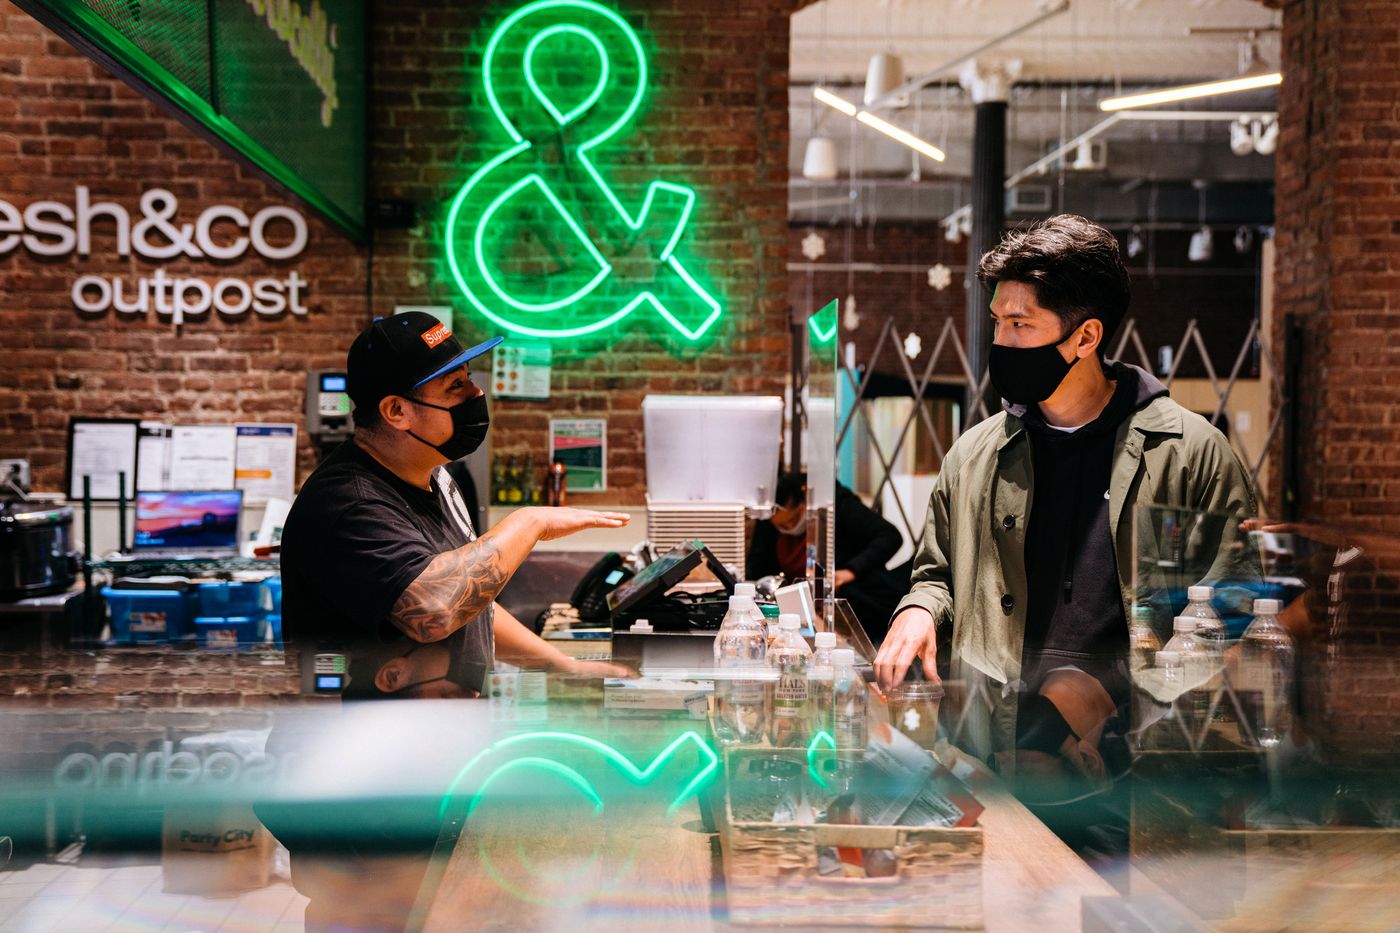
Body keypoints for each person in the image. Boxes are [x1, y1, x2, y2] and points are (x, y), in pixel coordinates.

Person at [873, 215, 1257, 863]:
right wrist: (918, 608)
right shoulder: (976, 456)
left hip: (1133, 779)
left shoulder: (1191, 454)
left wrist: (1112, 693)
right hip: (992, 762)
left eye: (1020, 325)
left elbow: (1233, 600)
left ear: (1086, 336)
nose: (1000, 340)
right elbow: (936, 570)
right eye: (997, 321)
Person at [266, 311, 634, 931]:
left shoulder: (438, 479)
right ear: (396, 411)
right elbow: (433, 606)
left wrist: (560, 663)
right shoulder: (346, 502)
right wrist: (530, 523)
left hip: (423, 771)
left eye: (470, 378)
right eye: (453, 387)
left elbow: (471, 604)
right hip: (358, 794)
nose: (476, 396)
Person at [747, 472, 908, 640]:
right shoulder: (767, 519)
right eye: (782, 525)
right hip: (798, 613)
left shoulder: (837, 505)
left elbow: (889, 536)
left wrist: (851, 570)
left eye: (794, 519)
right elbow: (758, 567)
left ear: (805, 497)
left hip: (856, 610)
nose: (790, 527)